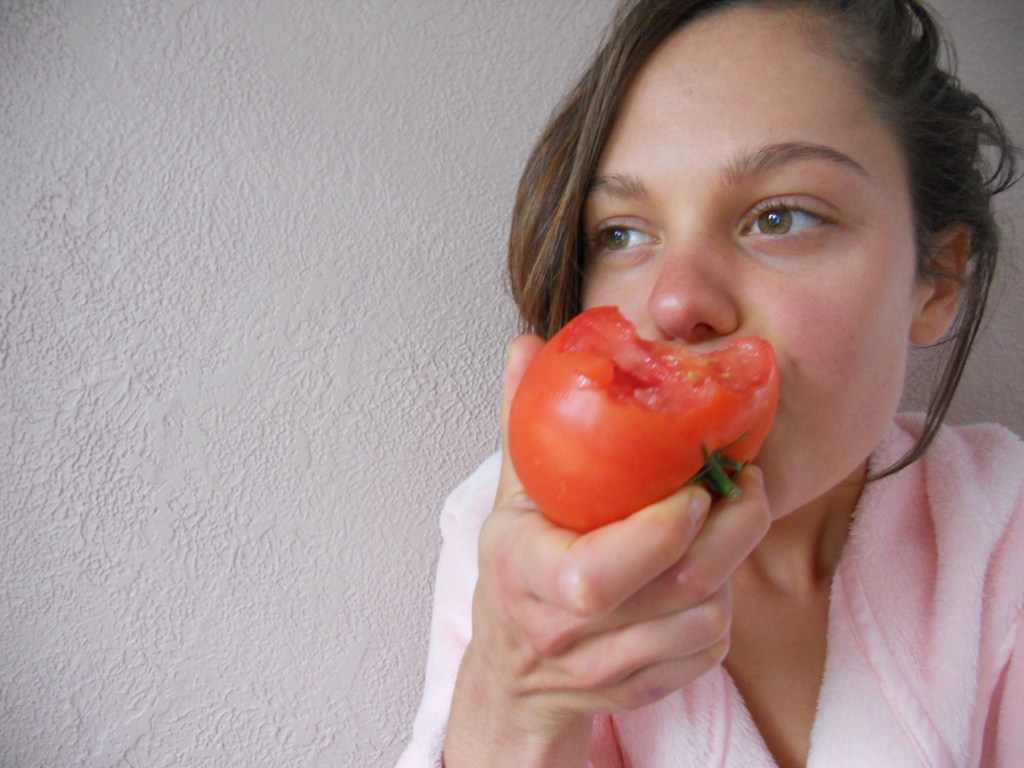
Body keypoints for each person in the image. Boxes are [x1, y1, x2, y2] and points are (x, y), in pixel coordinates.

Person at [397, 0, 1023, 765]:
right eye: (622, 234)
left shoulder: (1003, 531)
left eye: (781, 218)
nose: (675, 301)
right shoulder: (513, 548)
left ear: (937, 279)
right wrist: (515, 697)